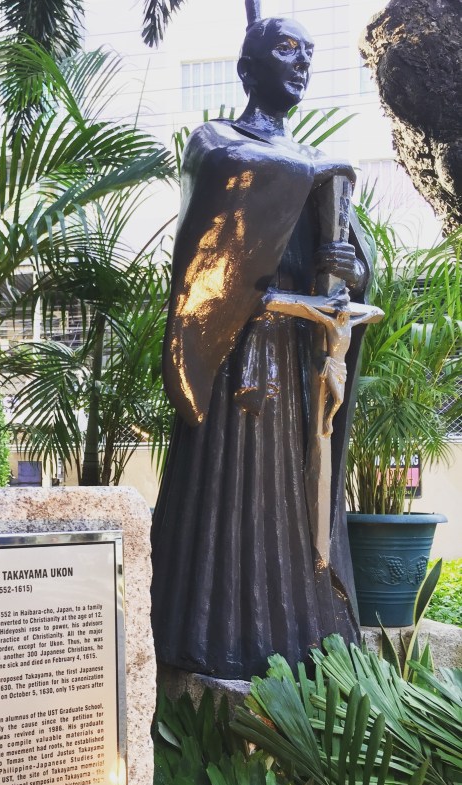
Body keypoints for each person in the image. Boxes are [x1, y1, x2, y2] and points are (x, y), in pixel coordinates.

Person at [151, 17, 374, 679]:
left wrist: (350, 266)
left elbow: (349, 268)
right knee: (230, 499)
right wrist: (314, 171)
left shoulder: (315, 167)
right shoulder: (216, 142)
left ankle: (299, 634)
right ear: (246, 70)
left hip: (298, 368)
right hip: (237, 363)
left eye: (309, 53)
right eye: (285, 49)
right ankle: (210, 638)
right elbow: (227, 201)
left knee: (293, 503)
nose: (300, 63)